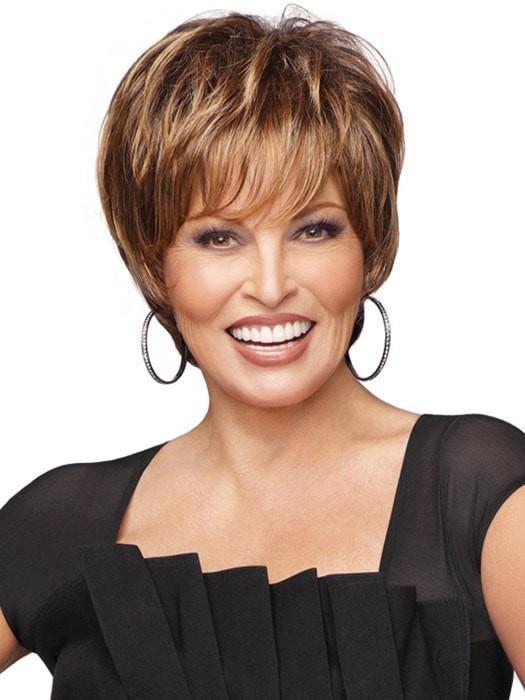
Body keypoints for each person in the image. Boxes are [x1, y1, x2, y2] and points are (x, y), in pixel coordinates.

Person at [1, 6, 524, 698]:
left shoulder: (477, 491)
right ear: (157, 265)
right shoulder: (59, 521)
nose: (272, 287)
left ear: (368, 246)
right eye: (219, 237)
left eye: (314, 230)